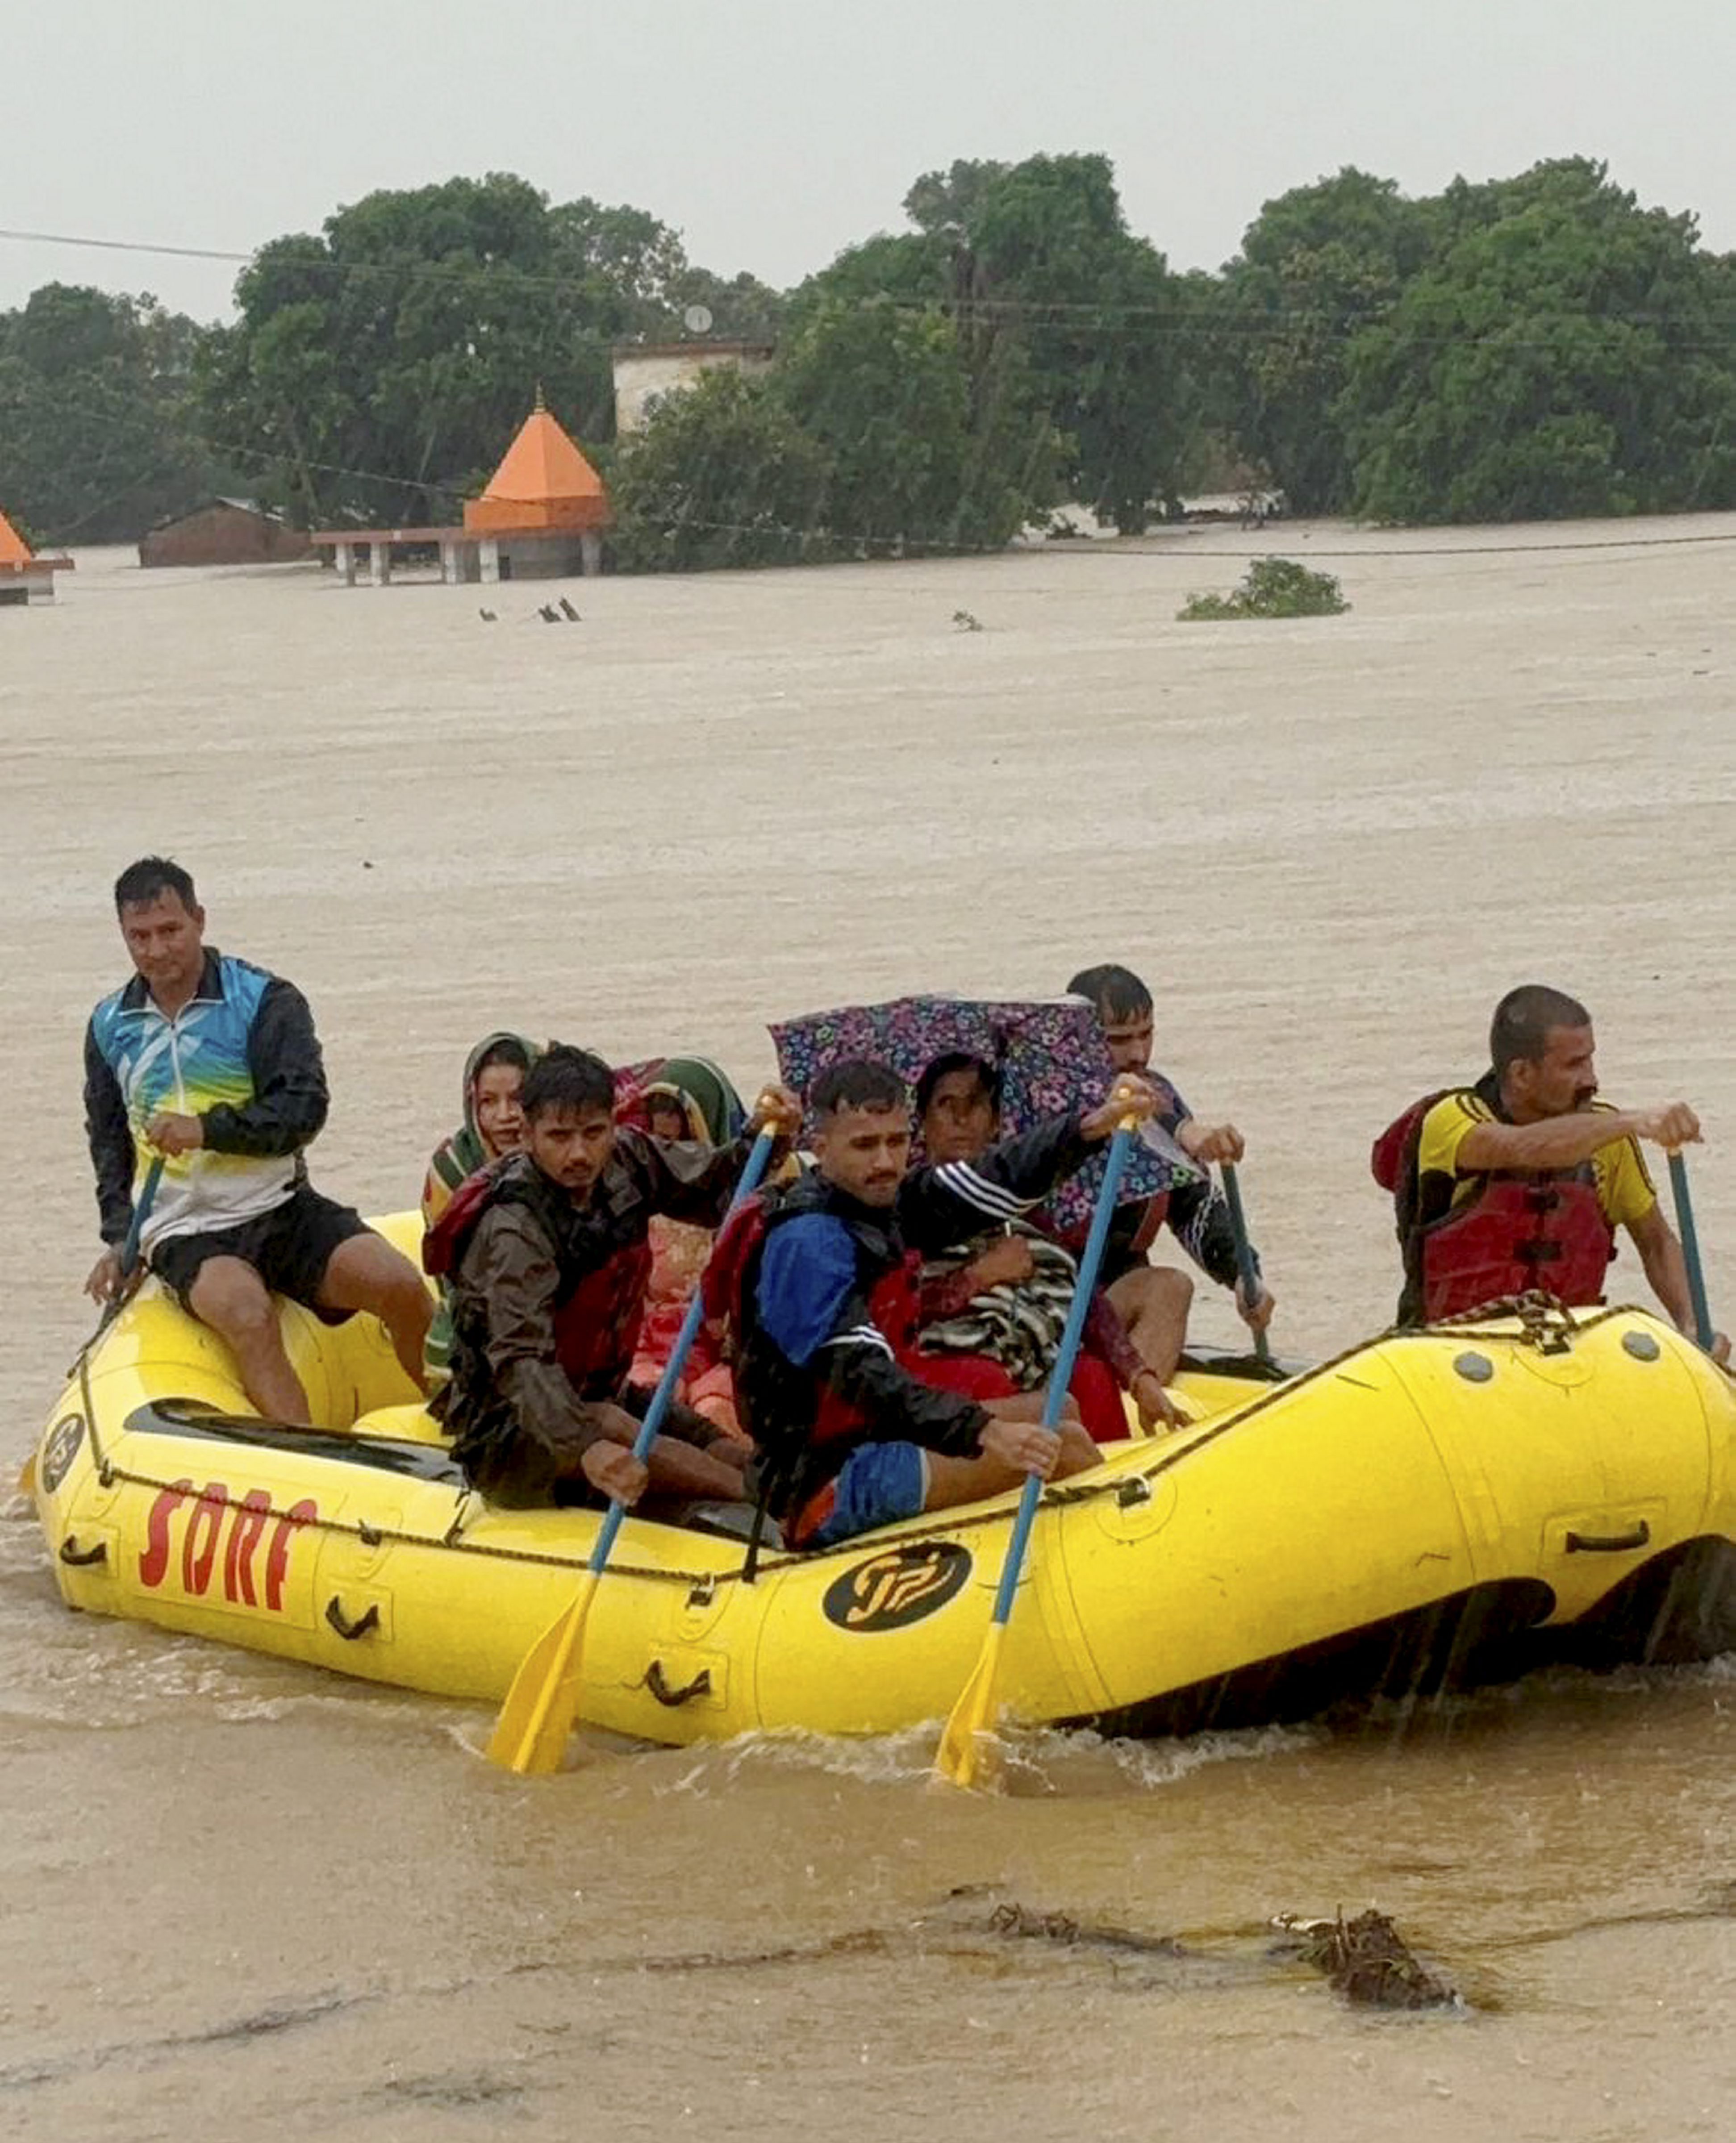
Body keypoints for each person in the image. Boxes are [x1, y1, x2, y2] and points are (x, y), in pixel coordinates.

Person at [724, 1058, 1158, 1551]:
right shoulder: (806, 1243)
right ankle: (1125, 1555)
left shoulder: (889, 1203)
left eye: (896, 1141)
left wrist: (1088, 1129)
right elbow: (864, 1376)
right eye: (865, 1145)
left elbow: (995, 1176)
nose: (885, 1162)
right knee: (1064, 1445)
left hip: (873, 1440)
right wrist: (983, 1432)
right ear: (821, 1150)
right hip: (825, 1482)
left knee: (1057, 1407)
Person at [83, 857, 432, 1422]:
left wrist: (206, 1129)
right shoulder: (109, 1026)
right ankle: (313, 1469)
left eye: (170, 931)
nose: (155, 951)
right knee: (248, 1315)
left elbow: (303, 1111)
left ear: (200, 920)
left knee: (399, 1284)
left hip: (282, 1207)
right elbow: (107, 1141)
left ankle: (460, 1431)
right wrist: (121, 1238)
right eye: (138, 937)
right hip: (186, 1229)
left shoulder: (265, 1001)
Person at [424, 1044, 802, 1510]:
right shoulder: (513, 1229)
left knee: (702, 1435)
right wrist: (586, 1447)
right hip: (513, 1429)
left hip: (601, 1392)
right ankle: (762, 1504)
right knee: (610, 1422)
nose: (579, 1153)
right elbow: (521, 1360)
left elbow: (715, 1188)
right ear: (527, 1134)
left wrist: (767, 1136)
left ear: (614, 1124)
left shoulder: (628, 1158)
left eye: (593, 1133)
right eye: (559, 1137)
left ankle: (778, 1486)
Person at [1373, 983, 1728, 1355]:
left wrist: (1691, 1325)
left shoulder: (1607, 1138)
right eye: (1574, 1065)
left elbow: (1656, 1243)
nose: (1592, 1079)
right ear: (1522, 1074)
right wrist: (1633, 1121)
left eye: (1591, 1060)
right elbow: (1523, 1148)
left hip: (1565, 1355)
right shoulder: (1451, 1121)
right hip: (1451, 1354)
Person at [913, 1052, 1180, 1434]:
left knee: (1089, 1375)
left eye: (975, 1105)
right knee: (991, 1380)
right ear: (923, 1122)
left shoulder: (1029, 1216)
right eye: (946, 1105)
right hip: (954, 1361)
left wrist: (1139, 1376)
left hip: (1034, 1356)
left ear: (995, 1123)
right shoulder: (910, 1206)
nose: (961, 1119)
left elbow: (1078, 1297)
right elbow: (898, 1312)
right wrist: (979, 1276)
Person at [1065, 962, 1277, 1347]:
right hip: (1061, 1295)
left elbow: (1192, 1205)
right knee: (1171, 1287)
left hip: (1124, 1289)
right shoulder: (1049, 1102)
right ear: (1077, 1038)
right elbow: (1131, 1108)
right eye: (1119, 1040)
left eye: (1146, 1036)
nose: (1138, 1054)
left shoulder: (1160, 1093)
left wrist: (1244, 1275)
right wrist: (1185, 1132)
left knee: (1167, 1289)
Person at [421, 1033, 540, 1388]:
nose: (505, 1116)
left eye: (518, 1099)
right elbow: (452, 1279)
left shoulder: (564, 1160)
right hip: (469, 1341)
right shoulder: (453, 1168)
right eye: (489, 1102)